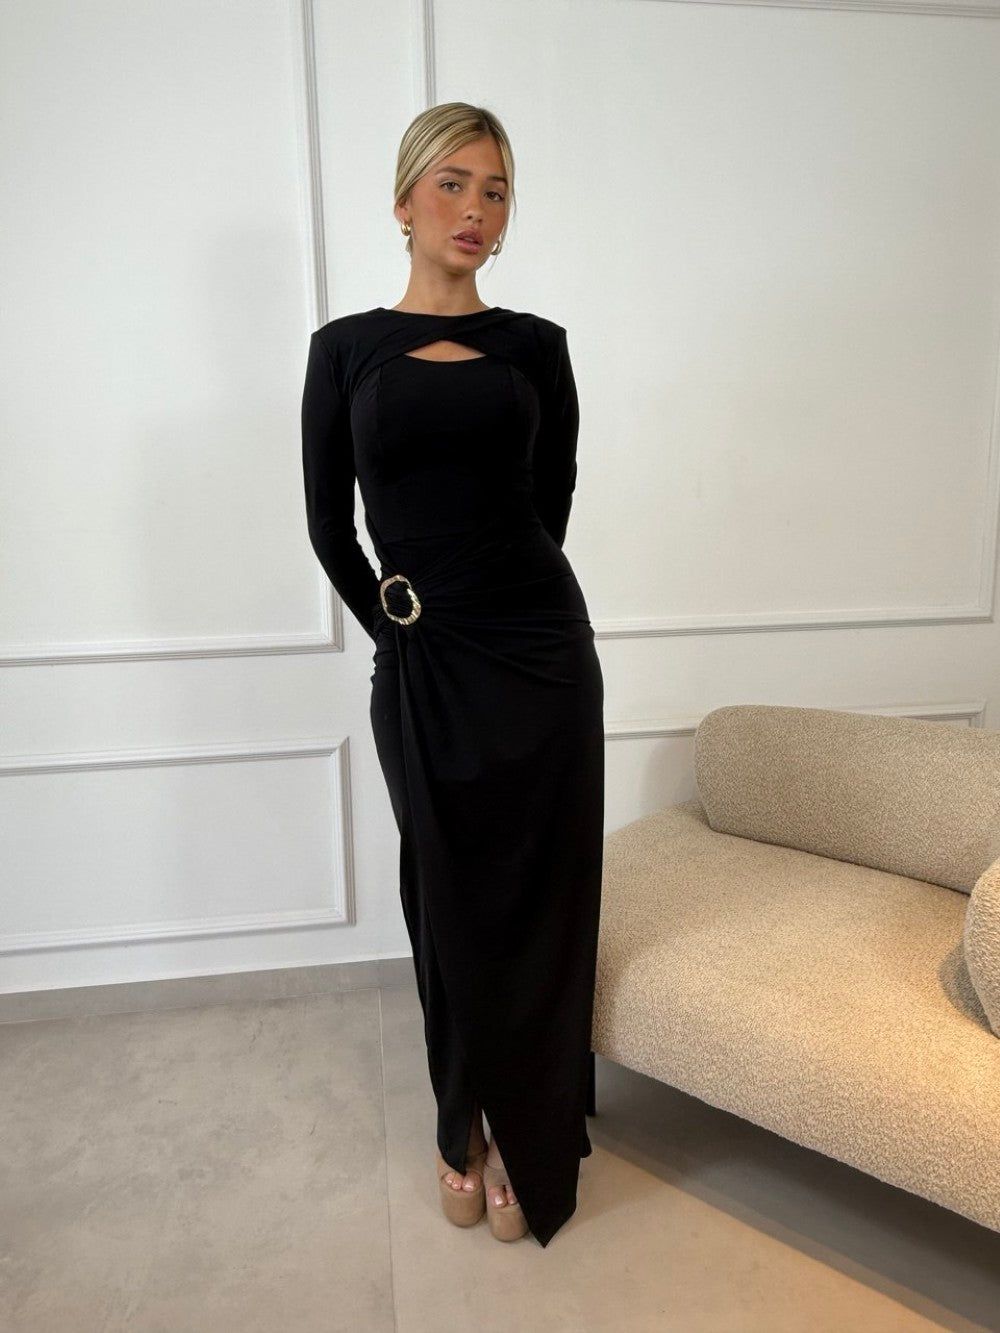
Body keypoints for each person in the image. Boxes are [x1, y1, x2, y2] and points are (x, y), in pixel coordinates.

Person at [300, 102, 604, 1247]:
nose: (475, 209)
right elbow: (329, 525)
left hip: (540, 653)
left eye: (496, 191)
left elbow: (549, 499)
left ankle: (533, 1123)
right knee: (445, 890)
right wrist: (399, 633)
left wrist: (500, 600)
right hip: (422, 655)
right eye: (453, 183)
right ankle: (458, 1116)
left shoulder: (537, 347)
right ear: (403, 201)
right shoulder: (345, 349)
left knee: (544, 888)